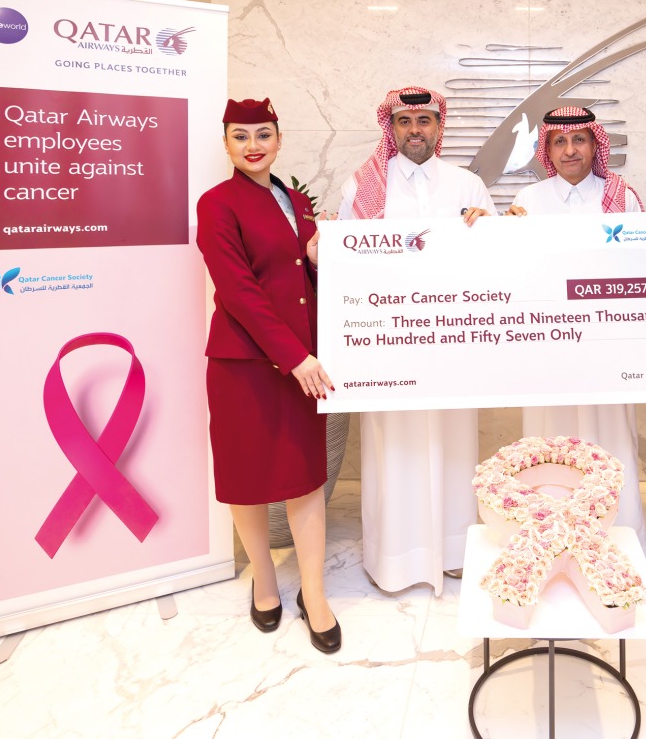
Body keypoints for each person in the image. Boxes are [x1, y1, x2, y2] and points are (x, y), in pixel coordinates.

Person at [338, 86, 495, 595]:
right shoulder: (363, 187)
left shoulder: (468, 185)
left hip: (454, 343)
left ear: (439, 127)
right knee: (395, 449)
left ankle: (455, 551)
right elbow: (344, 265)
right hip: (389, 346)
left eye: (424, 120)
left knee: (455, 444)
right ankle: (396, 560)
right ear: (391, 128)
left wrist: (491, 230)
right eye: (404, 121)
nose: (414, 130)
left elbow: (499, 262)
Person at [196, 97, 341, 654]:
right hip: (246, 365)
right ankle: (263, 580)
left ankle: (314, 592)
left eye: (263, 134)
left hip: (301, 362)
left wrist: (318, 261)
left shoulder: (297, 201)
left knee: (305, 476)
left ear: (279, 139)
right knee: (247, 477)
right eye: (240, 136)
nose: (253, 145)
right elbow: (238, 290)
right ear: (226, 144)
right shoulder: (217, 204)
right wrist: (294, 356)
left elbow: (299, 279)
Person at [507, 106, 646, 557]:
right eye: (560, 142)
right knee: (548, 443)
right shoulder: (528, 200)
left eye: (579, 140)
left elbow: (642, 269)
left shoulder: (621, 196)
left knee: (610, 439)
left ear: (594, 144)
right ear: (547, 150)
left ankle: (619, 545)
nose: (570, 150)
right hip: (546, 349)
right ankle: (550, 547)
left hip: (608, 350)